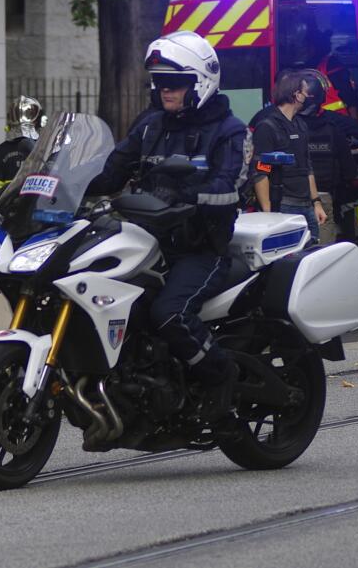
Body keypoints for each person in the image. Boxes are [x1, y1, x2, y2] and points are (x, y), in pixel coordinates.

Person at [86, 30, 247, 421]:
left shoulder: (230, 131)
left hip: (199, 246)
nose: (165, 90)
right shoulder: (150, 126)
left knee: (169, 314)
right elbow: (110, 172)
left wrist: (190, 198)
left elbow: (230, 188)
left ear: (201, 84)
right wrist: (57, 195)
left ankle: (222, 377)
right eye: (159, 82)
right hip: (145, 240)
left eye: (175, 82)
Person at [250, 71, 328, 243]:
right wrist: (268, 210)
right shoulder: (267, 127)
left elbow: (307, 167)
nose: (309, 97)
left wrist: (316, 202)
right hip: (282, 206)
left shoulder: (300, 125)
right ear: (296, 94)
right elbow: (260, 170)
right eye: (306, 92)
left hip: (306, 206)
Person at [297, 70, 358, 244]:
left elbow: (263, 164)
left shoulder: (284, 124)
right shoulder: (333, 126)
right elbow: (350, 170)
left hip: (292, 196)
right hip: (324, 196)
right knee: (323, 250)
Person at [0, 95, 43, 233]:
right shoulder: (45, 148)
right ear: (39, 120)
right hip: (36, 216)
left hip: (10, 216)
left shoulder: (3, 150)